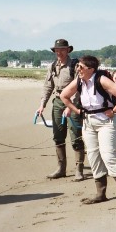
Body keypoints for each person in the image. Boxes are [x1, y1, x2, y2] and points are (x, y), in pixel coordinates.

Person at [60, 55, 116, 205]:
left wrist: (114, 111)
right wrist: (76, 110)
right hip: (88, 123)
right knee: (93, 156)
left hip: (106, 123)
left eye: (81, 67)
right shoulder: (79, 81)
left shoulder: (101, 79)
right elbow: (64, 96)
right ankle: (100, 193)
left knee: (108, 155)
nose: (78, 69)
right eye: (78, 66)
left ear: (91, 69)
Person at [36, 39, 86, 181]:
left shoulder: (75, 66)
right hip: (58, 102)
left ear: (68, 50)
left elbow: (78, 88)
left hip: (73, 102)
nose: (59, 52)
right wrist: (42, 105)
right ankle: (61, 168)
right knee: (58, 136)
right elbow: (47, 87)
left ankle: (79, 170)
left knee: (76, 136)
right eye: (57, 50)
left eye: (62, 49)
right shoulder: (52, 66)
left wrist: (71, 107)